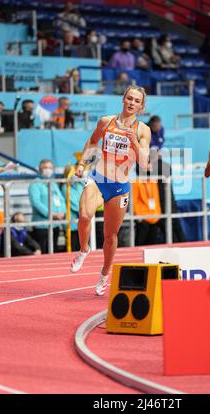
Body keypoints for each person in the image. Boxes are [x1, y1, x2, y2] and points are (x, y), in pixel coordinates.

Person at [71, 85, 150, 296]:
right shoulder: (106, 121)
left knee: (110, 236)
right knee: (84, 216)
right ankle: (84, 249)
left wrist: (133, 140)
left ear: (141, 106)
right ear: (123, 99)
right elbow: (93, 140)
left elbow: (144, 162)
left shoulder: (143, 130)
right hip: (98, 178)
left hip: (119, 187)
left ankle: (105, 273)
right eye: (129, 98)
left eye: (136, 101)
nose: (132, 103)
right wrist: (82, 164)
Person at [29, 159, 66, 254]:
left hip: (55, 224)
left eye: (50, 167)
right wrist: (50, 214)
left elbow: (61, 199)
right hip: (42, 225)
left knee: (54, 251)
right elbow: (36, 202)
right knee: (44, 252)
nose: (48, 170)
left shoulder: (53, 183)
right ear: (40, 169)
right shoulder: (35, 184)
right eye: (45, 167)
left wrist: (63, 212)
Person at [61, 165, 85, 252]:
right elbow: (74, 205)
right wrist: (85, 211)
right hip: (72, 224)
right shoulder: (65, 188)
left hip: (83, 222)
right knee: (74, 246)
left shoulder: (79, 185)